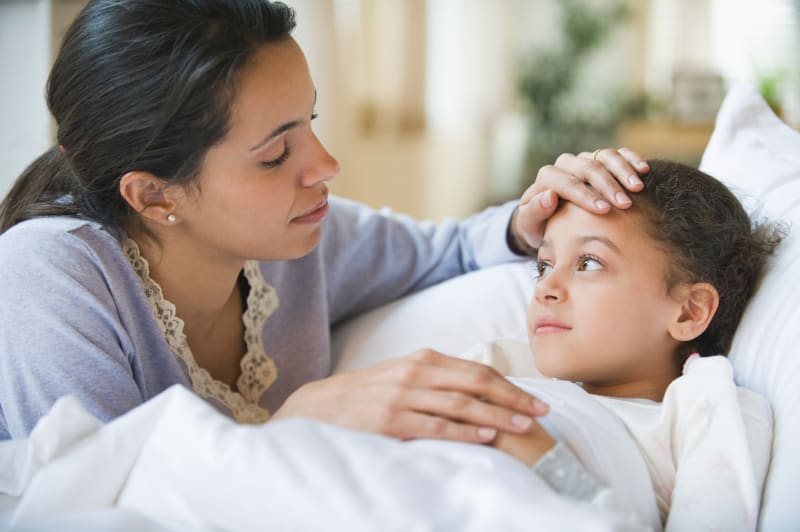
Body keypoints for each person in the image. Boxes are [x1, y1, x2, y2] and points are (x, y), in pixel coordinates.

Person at [0, 0, 646, 441]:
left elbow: (447, 251)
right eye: (274, 154)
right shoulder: (48, 277)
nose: (326, 165)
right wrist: (303, 421)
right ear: (151, 195)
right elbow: (90, 496)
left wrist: (533, 220)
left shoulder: (302, 243)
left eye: (309, 122)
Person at [470, 159, 783, 530]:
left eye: (588, 263)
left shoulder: (703, 408)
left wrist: (550, 465)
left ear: (689, 311)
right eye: (544, 266)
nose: (545, 289)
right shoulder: (502, 362)